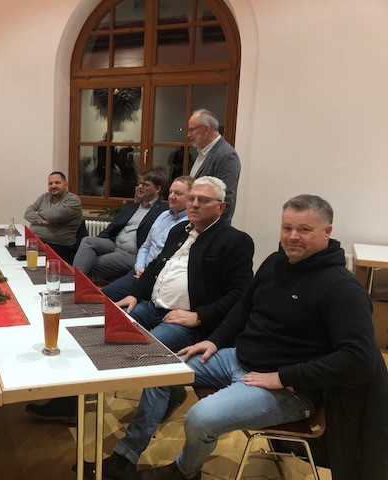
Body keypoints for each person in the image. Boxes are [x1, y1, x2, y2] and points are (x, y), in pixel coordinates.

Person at [138, 194, 384, 480]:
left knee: (200, 418)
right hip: (239, 358)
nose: (292, 236)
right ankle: (127, 456)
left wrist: (283, 377)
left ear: (327, 232)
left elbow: (359, 360)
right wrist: (215, 340)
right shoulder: (275, 262)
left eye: (304, 229)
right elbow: (244, 305)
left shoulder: (343, 289)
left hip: (290, 388)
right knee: (159, 371)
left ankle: (184, 471)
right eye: (287, 228)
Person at [96, 177, 254, 480]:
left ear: (221, 207)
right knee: (105, 328)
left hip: (189, 323)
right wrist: (135, 293)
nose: (194, 204)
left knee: (154, 362)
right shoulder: (178, 231)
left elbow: (240, 295)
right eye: (192, 198)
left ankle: (126, 455)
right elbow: (156, 266)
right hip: (152, 306)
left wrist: (199, 317)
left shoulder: (235, 241)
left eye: (203, 200)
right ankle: (73, 402)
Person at [102, 176, 193, 302]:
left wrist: (147, 274)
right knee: (104, 295)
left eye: (178, 193)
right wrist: (139, 267)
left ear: (191, 198)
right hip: (140, 271)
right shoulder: (163, 215)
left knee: (129, 308)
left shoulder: (190, 224)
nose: (172, 196)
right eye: (171, 192)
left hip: (160, 279)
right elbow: (146, 245)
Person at [73, 168, 169, 281]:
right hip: (115, 245)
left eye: (145, 185)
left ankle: (73, 283)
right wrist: (98, 246)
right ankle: (76, 283)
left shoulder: (163, 212)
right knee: (87, 241)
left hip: (133, 253)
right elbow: (110, 229)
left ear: (157, 189)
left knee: (89, 262)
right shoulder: (131, 207)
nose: (140, 187)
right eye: (139, 183)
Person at [186, 109, 241, 223]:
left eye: (192, 130)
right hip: (195, 225)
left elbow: (225, 200)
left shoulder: (226, 155)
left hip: (210, 228)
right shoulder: (203, 153)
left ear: (206, 129)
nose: (188, 135)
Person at [24, 171, 83, 263]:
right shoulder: (45, 197)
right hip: (36, 242)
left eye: (57, 183)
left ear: (66, 185)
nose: (53, 186)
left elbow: (54, 216)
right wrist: (43, 222)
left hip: (58, 246)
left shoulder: (73, 200)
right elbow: (27, 213)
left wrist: (39, 212)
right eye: (50, 183)